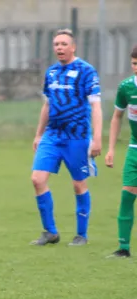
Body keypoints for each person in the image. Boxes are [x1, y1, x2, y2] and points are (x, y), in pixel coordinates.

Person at [30, 29, 102, 246]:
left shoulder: (86, 71)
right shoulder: (51, 72)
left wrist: (97, 138)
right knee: (37, 179)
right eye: (56, 44)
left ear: (73, 47)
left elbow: (96, 105)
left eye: (63, 44)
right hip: (53, 135)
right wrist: (38, 134)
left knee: (79, 185)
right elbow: (48, 104)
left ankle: (82, 235)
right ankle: (50, 232)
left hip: (77, 137)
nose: (59, 48)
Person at [105, 44, 137, 258]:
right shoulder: (126, 87)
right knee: (127, 196)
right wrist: (110, 149)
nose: (136, 67)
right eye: (134, 63)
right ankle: (123, 248)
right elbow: (117, 117)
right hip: (134, 149)